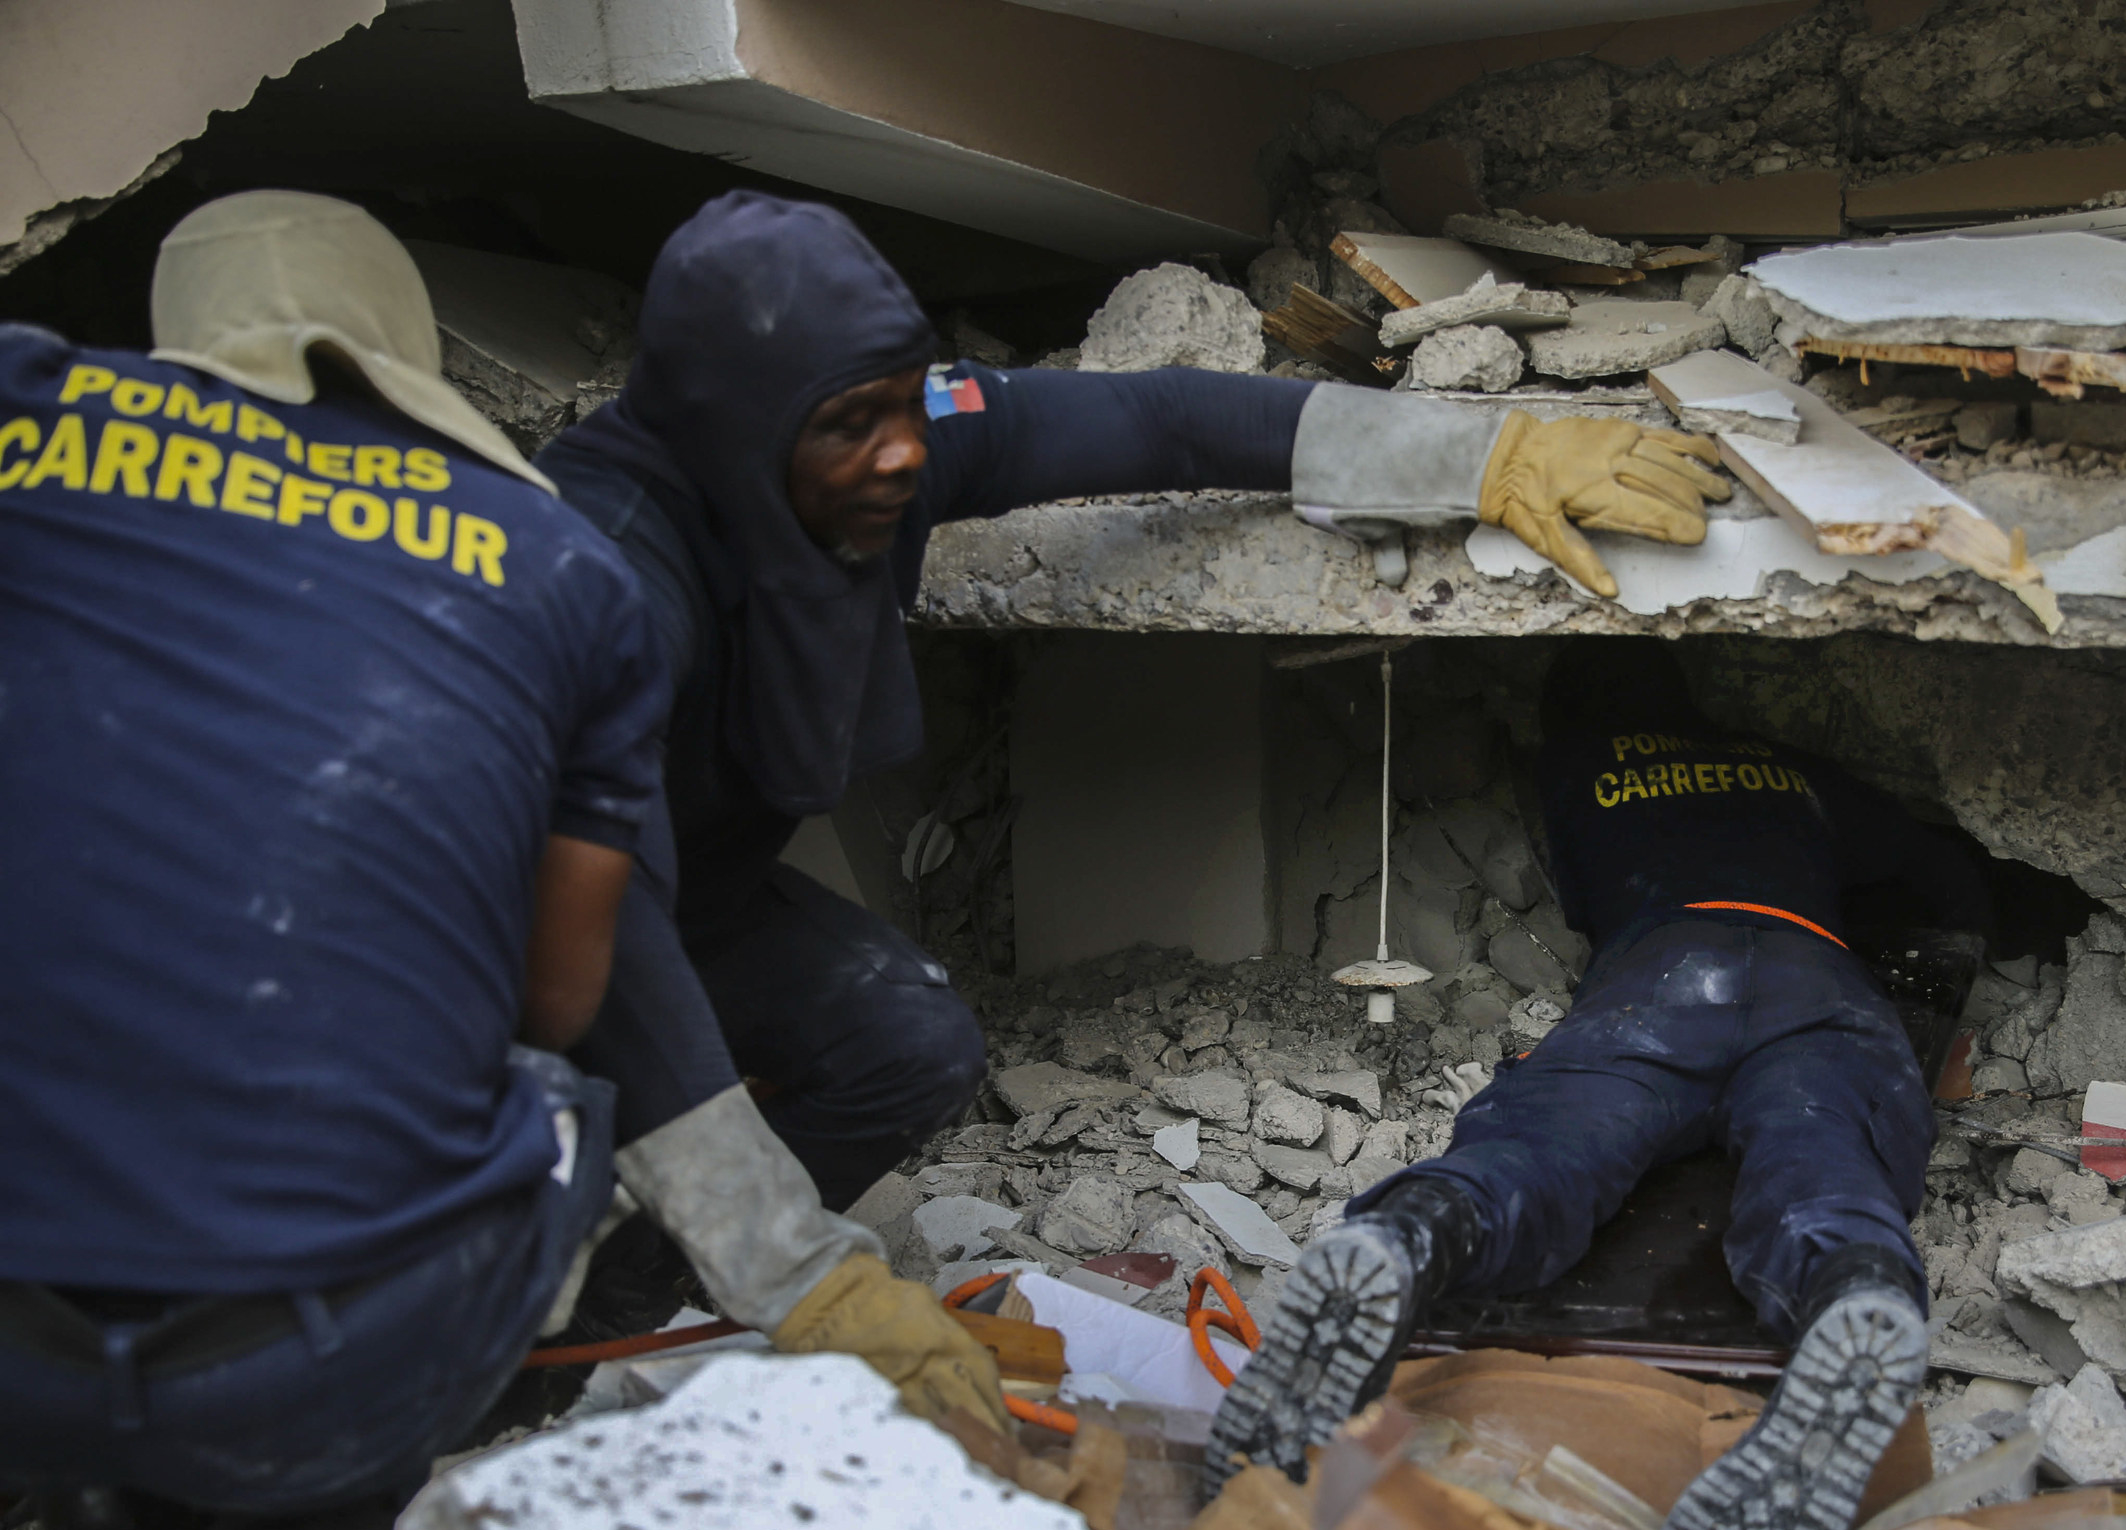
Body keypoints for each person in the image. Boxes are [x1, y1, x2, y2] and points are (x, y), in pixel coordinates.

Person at [530, 191, 1735, 1391]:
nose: (904, 449)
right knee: (534, 1159)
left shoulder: (856, 443)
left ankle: (616, 1313)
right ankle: (516, 1332)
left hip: (701, 892)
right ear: (732, 431)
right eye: (857, 422)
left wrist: (1480, 454)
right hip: (531, 943)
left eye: (908, 401)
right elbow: (611, 957)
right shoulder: (601, 571)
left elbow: (1159, 416)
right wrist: (800, 1273)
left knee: (907, 1042)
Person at [0, 193, 669, 1530]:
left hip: (13, 1360)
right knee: (562, 1113)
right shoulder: (565, 573)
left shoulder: (29, 414)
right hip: (308, 1370)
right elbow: (559, 1000)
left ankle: (90, 1489)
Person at [1210, 640, 1991, 1530]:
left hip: (1662, 972)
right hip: (1811, 969)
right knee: (1824, 1154)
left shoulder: (1575, 767)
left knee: (1548, 1140)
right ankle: (1853, 1291)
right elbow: (1946, 874)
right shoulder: (1789, 769)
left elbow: (1586, 898)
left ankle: (1414, 1233)